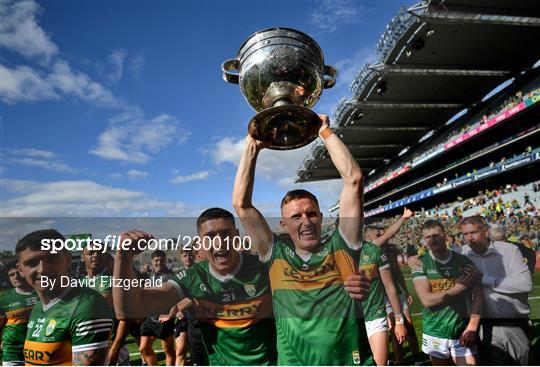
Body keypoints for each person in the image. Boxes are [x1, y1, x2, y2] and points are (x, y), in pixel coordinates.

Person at [232, 114, 370, 365]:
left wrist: (324, 133)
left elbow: (354, 179)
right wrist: (252, 147)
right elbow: (241, 204)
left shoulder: (342, 243)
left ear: (320, 217)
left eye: (311, 214)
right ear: (284, 225)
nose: (305, 222)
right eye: (296, 217)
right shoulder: (275, 254)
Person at [113, 208, 277, 366]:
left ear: (237, 235)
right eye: (210, 236)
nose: (220, 243)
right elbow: (129, 310)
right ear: (201, 242)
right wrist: (123, 258)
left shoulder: (263, 269)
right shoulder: (194, 276)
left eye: (226, 234)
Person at [16, 229, 113, 365]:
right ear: (20, 269)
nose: (42, 269)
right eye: (32, 263)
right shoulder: (38, 307)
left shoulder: (87, 304)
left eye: (52, 259)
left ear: (68, 260)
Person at [460, 215, 533, 365]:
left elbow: (525, 285)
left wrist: (484, 279)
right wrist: (413, 260)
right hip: (485, 326)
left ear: (485, 231)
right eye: (465, 234)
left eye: (473, 232)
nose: (469, 238)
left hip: (514, 322)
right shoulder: (464, 253)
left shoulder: (509, 250)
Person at [412, 220, 483, 366]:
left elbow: (479, 296)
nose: (433, 239)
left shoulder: (463, 261)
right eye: (428, 237)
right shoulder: (419, 263)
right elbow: (426, 300)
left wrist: (472, 326)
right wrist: (458, 289)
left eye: (436, 235)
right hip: (434, 332)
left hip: (461, 330)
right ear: (424, 240)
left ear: (445, 234)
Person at [80, 246, 129, 365]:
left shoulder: (113, 280)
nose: (96, 255)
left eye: (99, 252)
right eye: (91, 253)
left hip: (110, 345)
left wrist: (115, 347)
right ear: (82, 258)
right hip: (87, 345)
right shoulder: (80, 282)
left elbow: (100, 304)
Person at [139, 250, 176, 366]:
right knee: (143, 348)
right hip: (150, 318)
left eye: (161, 260)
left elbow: (176, 297)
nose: (159, 263)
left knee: (168, 350)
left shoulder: (171, 276)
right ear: (151, 262)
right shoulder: (149, 275)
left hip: (164, 318)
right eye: (156, 260)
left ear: (165, 261)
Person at [0, 260, 38, 366]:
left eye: (17, 273)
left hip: (39, 351)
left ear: (23, 271)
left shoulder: (42, 293)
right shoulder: (4, 299)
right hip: (13, 353)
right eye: (11, 275)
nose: (15, 277)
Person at [170, 249, 205, 366]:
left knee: (199, 349)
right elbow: (173, 296)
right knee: (180, 350)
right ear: (181, 258)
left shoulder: (200, 271)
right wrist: (176, 311)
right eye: (185, 255)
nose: (188, 258)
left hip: (197, 317)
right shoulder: (178, 275)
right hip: (183, 318)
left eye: (190, 255)